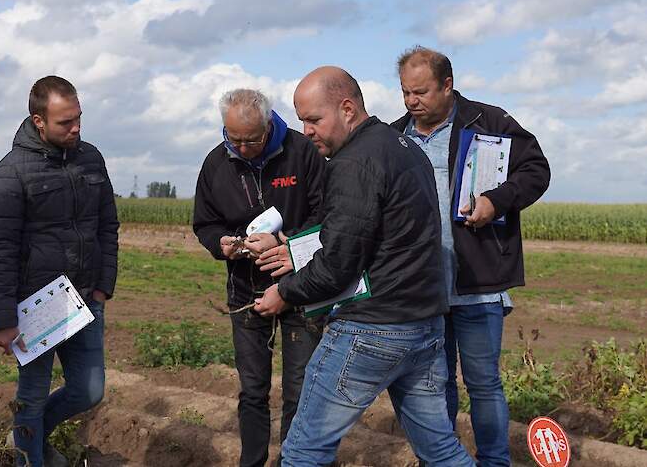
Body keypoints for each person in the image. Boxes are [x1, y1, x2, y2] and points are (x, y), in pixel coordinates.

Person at [255, 66, 475, 467]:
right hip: (424, 325)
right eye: (302, 120)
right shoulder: (405, 148)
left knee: (304, 450)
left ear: (347, 108)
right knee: (441, 450)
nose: (306, 130)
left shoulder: (354, 163)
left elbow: (339, 263)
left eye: (314, 119)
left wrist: (284, 293)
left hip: (372, 329)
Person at [391, 47, 550, 467]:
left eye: (420, 92)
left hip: (478, 283)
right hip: (421, 288)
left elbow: (536, 170)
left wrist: (496, 202)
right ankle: (440, 461)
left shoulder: (488, 122)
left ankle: (494, 462)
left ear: (447, 85)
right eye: (406, 92)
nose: (411, 101)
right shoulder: (394, 137)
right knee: (434, 385)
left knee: (483, 383)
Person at [0, 75, 119, 467]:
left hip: (86, 297)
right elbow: (0, 250)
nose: (76, 128)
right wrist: (3, 319)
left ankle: (29, 434)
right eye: (65, 123)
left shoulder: (91, 158)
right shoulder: (11, 173)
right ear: (38, 121)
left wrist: (102, 287)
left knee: (89, 390)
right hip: (36, 304)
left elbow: (107, 225)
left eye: (78, 118)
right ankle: (30, 457)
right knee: (33, 392)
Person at [192, 88, 326, 467]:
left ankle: (295, 460)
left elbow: (327, 215)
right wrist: (222, 244)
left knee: (300, 389)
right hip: (245, 292)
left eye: (251, 139)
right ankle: (251, 461)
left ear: (269, 126)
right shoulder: (216, 163)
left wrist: (286, 241)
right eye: (233, 138)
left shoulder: (303, 153)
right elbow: (204, 222)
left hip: (301, 289)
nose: (243, 147)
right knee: (252, 390)